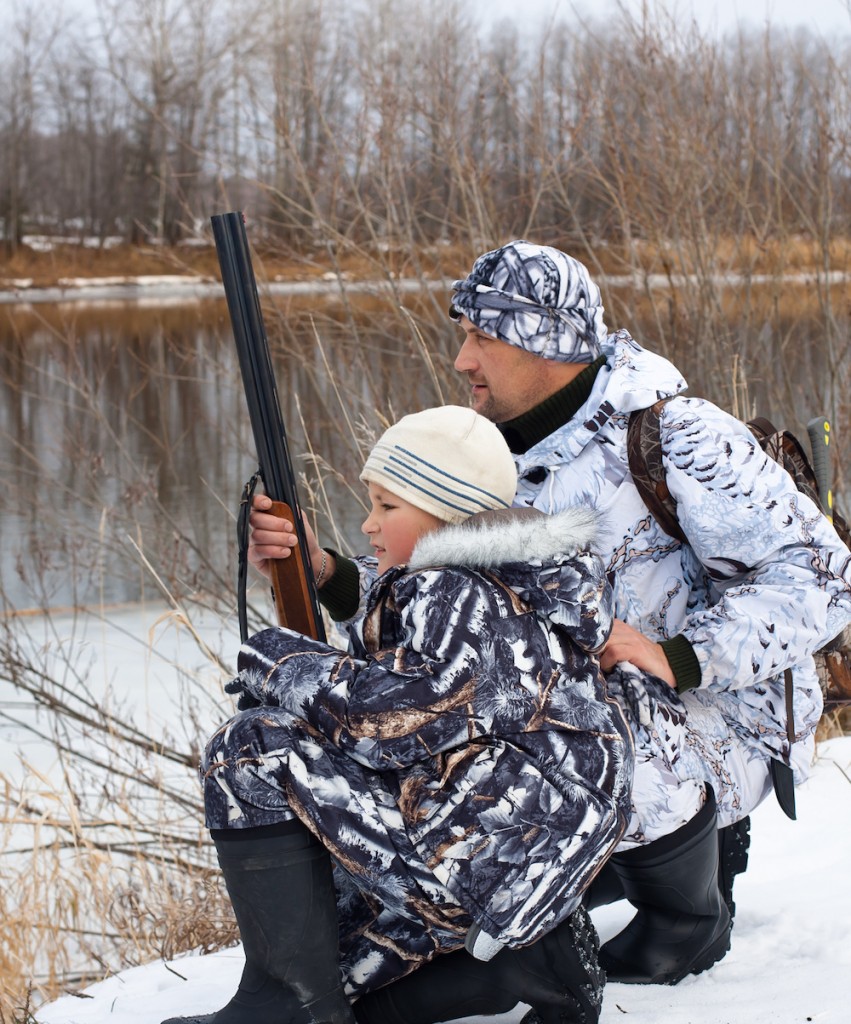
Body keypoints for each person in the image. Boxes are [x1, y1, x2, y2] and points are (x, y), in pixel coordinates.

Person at [248, 241, 851, 1004]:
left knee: (589, 717)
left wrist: (676, 655)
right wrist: (327, 574)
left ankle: (687, 913)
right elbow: (440, 615)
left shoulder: (678, 436)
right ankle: (510, 921)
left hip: (697, 729)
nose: (463, 359)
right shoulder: (492, 449)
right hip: (573, 726)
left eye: (483, 338)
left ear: (547, 342)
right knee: (429, 731)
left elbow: (825, 578)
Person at [165, 405, 634, 1024]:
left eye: (388, 506)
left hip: (484, 862)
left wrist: (276, 662)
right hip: (511, 853)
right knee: (343, 979)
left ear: (446, 511)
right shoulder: (508, 579)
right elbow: (403, 632)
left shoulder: (454, 593)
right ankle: (497, 968)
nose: (368, 523)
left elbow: (390, 722)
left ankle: (289, 1008)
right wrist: (316, 570)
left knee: (252, 749)